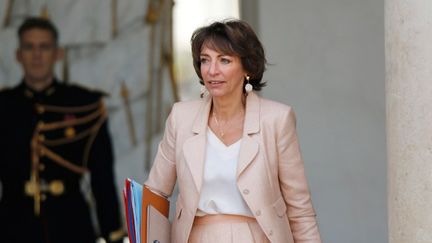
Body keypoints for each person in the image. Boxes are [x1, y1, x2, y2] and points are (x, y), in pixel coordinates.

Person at [144, 19, 322, 243]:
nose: (212, 70)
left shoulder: (277, 119)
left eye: (224, 60)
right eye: (205, 60)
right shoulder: (181, 117)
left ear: (247, 67)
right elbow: (154, 194)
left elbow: (300, 210)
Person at [0, 17, 124, 243]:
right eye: (29, 47)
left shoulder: (84, 104)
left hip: (71, 226)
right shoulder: (4, 106)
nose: (37, 55)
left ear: (58, 53)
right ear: (18, 55)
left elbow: (102, 178)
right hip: (13, 226)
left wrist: (112, 233)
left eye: (44, 47)